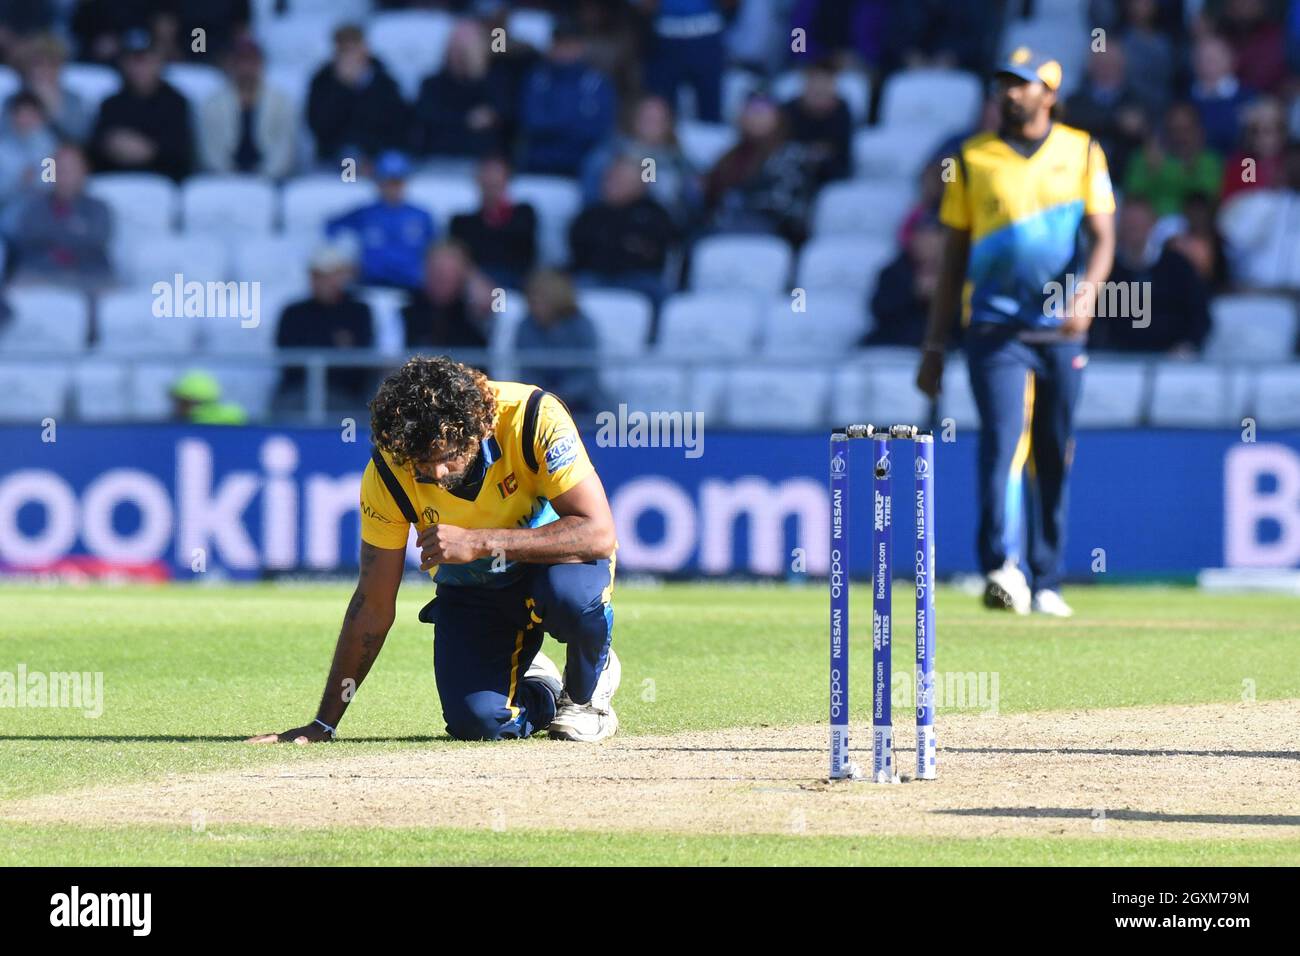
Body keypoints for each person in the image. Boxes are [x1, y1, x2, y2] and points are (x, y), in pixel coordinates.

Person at [248, 355, 621, 743]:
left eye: (446, 457)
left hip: (553, 568)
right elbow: (372, 604)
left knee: (570, 599)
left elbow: (597, 533)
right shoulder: (388, 472)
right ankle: (543, 687)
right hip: (477, 591)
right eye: (422, 464)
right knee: (478, 723)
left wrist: (478, 543)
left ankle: (586, 694)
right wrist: (323, 724)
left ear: (481, 427)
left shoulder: (533, 416)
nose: (438, 475)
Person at [915, 48, 1116, 618]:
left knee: (1052, 451)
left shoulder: (1080, 151)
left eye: (1022, 85)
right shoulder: (973, 157)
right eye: (1003, 82)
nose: (1009, 93)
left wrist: (1087, 295)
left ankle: (1048, 577)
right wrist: (934, 344)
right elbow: (954, 256)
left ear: (1049, 95)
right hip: (994, 328)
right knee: (1005, 441)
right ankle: (1003, 567)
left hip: (1061, 329)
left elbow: (1104, 237)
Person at [1088, 196, 1211, 355]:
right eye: (1128, 224)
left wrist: (1188, 346)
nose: (1133, 229)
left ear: (1152, 224)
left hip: (1172, 363)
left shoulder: (1178, 267)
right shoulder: (1106, 270)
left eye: (1138, 224)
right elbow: (1095, 320)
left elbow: (1200, 316)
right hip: (1118, 363)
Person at [274, 243, 376, 413]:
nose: (325, 282)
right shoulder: (293, 312)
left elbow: (360, 364)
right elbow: (288, 363)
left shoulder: (359, 312)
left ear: (343, 275)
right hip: (299, 394)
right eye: (319, 275)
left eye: (331, 275)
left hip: (345, 395)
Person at [704, 92, 815, 245]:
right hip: (728, 226)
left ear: (778, 117)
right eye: (750, 111)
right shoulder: (731, 156)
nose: (755, 116)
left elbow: (784, 202)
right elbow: (712, 197)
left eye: (762, 111)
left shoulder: (791, 154)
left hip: (776, 232)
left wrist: (743, 201)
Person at [569, 155, 676, 309]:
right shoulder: (590, 214)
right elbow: (579, 251)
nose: (612, 184)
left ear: (640, 184)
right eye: (610, 179)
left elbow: (658, 250)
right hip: (595, 277)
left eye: (621, 180)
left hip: (639, 279)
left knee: (660, 294)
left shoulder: (655, 214)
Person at [580, 94, 701, 228]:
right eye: (647, 119)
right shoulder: (608, 154)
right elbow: (591, 197)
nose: (652, 126)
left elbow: (694, 204)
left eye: (658, 120)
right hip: (613, 223)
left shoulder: (680, 160)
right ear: (634, 120)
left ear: (668, 124)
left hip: (663, 227)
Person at [89, 28, 192, 181]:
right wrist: (112, 147)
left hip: (161, 185)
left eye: (146, 60)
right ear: (123, 64)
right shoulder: (111, 104)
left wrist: (150, 151)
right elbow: (94, 151)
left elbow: (182, 156)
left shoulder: (176, 103)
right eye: (133, 60)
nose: (139, 68)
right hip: (116, 181)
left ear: (159, 62)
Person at [5, 143, 113, 288]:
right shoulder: (34, 206)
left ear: (84, 171)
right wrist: (74, 229)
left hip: (90, 276)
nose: (65, 175)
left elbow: (96, 239)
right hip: (38, 274)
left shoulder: (99, 208)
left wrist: (52, 233)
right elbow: (28, 237)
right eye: (60, 170)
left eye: (71, 169)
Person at [518, 18, 617, 176]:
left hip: (581, 166)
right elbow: (531, 121)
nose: (563, 50)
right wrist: (573, 120)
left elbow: (599, 130)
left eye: (569, 44)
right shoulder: (537, 78)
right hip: (538, 161)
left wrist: (554, 122)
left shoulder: (597, 82)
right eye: (559, 44)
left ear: (580, 47)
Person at [326, 151, 436, 291]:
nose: (392, 188)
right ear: (378, 183)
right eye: (387, 181)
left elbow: (435, 249)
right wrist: (345, 259)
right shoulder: (365, 213)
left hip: (411, 287)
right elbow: (331, 227)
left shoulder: (421, 216)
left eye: (397, 182)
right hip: (370, 285)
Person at [306, 24, 408, 168]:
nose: (350, 56)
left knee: (392, 164)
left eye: (354, 48)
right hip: (336, 155)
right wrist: (343, 89)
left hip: (378, 155)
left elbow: (397, 124)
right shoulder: (321, 81)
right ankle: (351, 181)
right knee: (350, 161)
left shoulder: (384, 81)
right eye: (345, 50)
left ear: (365, 48)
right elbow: (319, 127)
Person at [197, 36, 296, 179]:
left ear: (261, 65)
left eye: (252, 62)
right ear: (231, 65)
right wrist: (229, 175)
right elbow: (210, 150)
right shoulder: (213, 103)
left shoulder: (281, 102)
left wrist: (265, 175)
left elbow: (284, 149)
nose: (246, 69)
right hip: (223, 179)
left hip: (271, 179)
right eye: (241, 62)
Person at [411, 18, 510, 161]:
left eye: (467, 48)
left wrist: (478, 72)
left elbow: (505, 114)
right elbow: (430, 118)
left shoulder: (495, 82)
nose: (460, 53)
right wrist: (467, 119)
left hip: (484, 165)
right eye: (456, 46)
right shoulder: (431, 84)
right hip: (438, 161)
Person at [515, 269, 603, 413]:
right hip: (541, 402)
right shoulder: (525, 326)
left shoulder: (582, 324)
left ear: (556, 298)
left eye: (540, 299)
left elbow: (588, 373)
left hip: (584, 401)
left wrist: (562, 396)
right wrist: (546, 397)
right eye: (532, 299)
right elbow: (526, 371)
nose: (534, 305)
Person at [449, 155, 538, 289]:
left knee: (498, 294)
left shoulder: (524, 213)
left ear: (507, 180)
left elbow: (522, 250)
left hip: (514, 281)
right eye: (487, 174)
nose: (491, 179)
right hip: (474, 283)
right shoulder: (461, 222)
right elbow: (459, 257)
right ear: (477, 179)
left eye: (496, 175)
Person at [635, 0, 728, 123]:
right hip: (665, 37)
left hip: (707, 36)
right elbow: (643, 7)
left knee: (710, 107)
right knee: (660, 106)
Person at [1123, 102, 1223, 216]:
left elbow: (1204, 199)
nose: (1180, 136)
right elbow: (1133, 195)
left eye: (1186, 129)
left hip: (1190, 228)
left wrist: (1161, 174)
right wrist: (1152, 171)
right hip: (1150, 226)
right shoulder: (1145, 157)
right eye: (1174, 130)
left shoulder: (1209, 161)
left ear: (1199, 131)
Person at [401, 241, 492, 349]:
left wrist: (473, 278)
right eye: (435, 272)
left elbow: (500, 305)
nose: (441, 279)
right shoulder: (408, 307)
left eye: (448, 272)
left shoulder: (474, 311)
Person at [782, 58, 852, 186]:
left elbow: (843, 160)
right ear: (805, 86)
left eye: (824, 88)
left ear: (833, 87)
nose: (819, 91)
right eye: (814, 88)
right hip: (790, 175)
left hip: (828, 179)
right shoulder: (788, 110)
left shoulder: (842, 112)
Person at [0, 92, 58, 199]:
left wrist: (34, 180)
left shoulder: (51, 147)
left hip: (43, 205)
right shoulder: (2, 148)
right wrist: (19, 182)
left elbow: (51, 182)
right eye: (20, 115)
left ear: (40, 118)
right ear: (11, 117)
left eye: (30, 115)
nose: (25, 121)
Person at [170, 370, 248, 424]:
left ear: (197, 403)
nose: (177, 407)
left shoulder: (233, 419)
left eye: (183, 402)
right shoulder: (178, 424)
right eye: (177, 401)